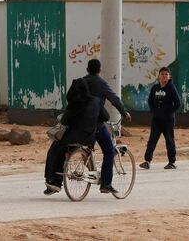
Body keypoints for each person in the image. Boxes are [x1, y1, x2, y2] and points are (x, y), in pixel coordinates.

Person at [43, 76, 100, 195]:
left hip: (72, 138)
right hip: (89, 138)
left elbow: (64, 121)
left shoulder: (74, 104)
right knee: (62, 149)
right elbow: (105, 117)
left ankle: (54, 181)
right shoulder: (95, 101)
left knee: (55, 150)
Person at [82, 59, 131, 194]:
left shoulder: (81, 82)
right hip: (95, 122)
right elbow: (114, 99)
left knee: (87, 146)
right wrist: (124, 112)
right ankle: (106, 184)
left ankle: (85, 160)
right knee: (109, 151)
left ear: (87, 69)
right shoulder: (100, 83)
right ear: (99, 70)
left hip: (80, 122)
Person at [140, 66, 181, 170]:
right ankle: (147, 161)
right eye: (162, 74)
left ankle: (172, 162)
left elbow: (178, 103)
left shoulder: (171, 88)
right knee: (152, 140)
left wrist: (169, 112)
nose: (164, 76)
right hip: (156, 120)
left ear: (169, 76)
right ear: (158, 76)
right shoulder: (155, 88)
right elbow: (150, 100)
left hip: (168, 121)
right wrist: (153, 111)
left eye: (166, 74)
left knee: (169, 140)